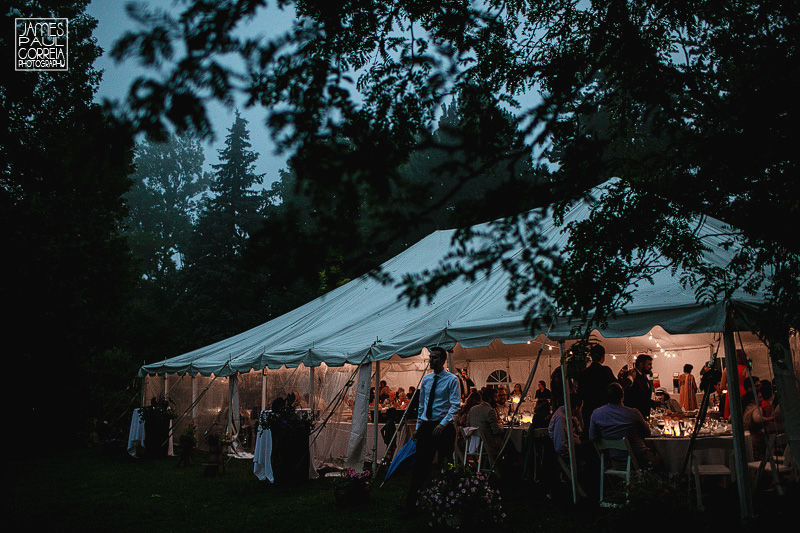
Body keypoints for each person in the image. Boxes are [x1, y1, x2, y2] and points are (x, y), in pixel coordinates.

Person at [401, 346, 461, 514]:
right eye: (430, 357)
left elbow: (455, 405)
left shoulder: (452, 380)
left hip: (443, 426)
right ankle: (411, 504)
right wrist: (419, 428)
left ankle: (450, 503)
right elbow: (422, 406)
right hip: (427, 426)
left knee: (446, 465)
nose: (431, 361)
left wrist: (443, 424)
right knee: (421, 466)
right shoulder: (427, 380)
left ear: (443, 360)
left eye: (435, 358)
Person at [589, 383, 661, 470]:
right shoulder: (633, 413)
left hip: (616, 461)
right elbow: (647, 433)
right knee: (662, 456)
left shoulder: (596, 414)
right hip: (639, 459)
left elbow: (593, 437)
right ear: (622, 396)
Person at [577, 344, 616, 436]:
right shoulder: (605, 371)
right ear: (603, 357)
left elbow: (580, 393)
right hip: (603, 411)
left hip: (588, 411)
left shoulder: (583, 373)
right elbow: (615, 387)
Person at [466, 387, 504, 456]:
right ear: (490, 399)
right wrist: (501, 426)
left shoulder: (473, 409)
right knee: (508, 442)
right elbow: (496, 431)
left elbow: (468, 426)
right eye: (495, 397)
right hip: (488, 445)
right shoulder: (490, 411)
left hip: (474, 446)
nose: (497, 400)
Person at [621, 354, 656, 419]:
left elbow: (645, 397)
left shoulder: (644, 377)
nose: (651, 367)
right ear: (641, 364)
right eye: (649, 364)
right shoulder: (631, 375)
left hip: (643, 416)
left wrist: (654, 403)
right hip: (633, 417)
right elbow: (632, 398)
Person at [549, 393, 582, 460]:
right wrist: (571, 455)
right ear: (576, 408)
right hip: (568, 452)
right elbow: (560, 445)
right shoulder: (561, 418)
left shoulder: (569, 415)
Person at [721, 349, 749, 419]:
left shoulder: (726, 369)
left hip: (730, 393)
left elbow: (722, 387)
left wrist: (727, 391)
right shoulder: (745, 369)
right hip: (743, 392)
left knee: (730, 415)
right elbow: (748, 384)